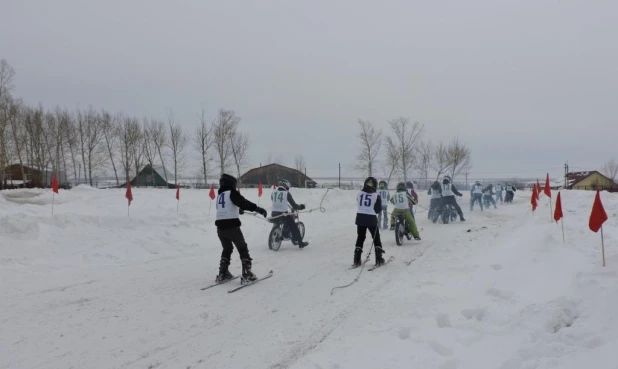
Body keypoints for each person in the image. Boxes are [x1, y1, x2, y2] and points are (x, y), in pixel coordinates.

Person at [215, 173, 268, 283]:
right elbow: (243, 203)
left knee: (227, 249)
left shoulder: (220, 195)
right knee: (242, 248)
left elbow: (224, 207)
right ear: (231, 183)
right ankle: (247, 274)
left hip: (220, 229)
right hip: (232, 227)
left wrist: (238, 210)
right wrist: (257, 209)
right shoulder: (232, 192)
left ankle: (223, 273)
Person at [354, 177, 385, 267]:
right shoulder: (376, 195)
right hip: (371, 218)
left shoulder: (359, 193)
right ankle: (379, 259)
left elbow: (359, 202)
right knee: (376, 238)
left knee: (360, 237)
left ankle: (356, 259)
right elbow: (378, 210)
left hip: (360, 217)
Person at [271, 179, 308, 248]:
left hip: (274, 214)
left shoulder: (273, 192)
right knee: (294, 226)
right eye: (288, 187)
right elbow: (294, 205)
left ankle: (280, 234)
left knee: (281, 221)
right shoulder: (286, 193)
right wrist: (301, 207)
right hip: (283, 215)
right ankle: (300, 243)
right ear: (285, 186)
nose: (288, 189)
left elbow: (273, 200)